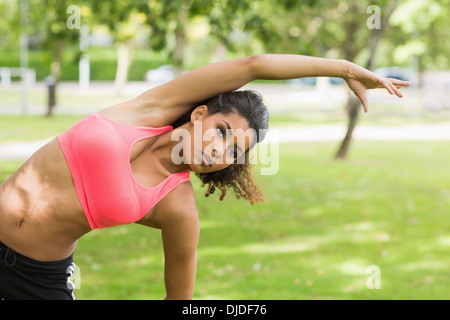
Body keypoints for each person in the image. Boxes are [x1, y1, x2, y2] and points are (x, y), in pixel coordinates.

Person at [0, 54, 409, 300]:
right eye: (223, 132)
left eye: (234, 152)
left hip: (38, 280)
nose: (220, 151)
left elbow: (180, 297)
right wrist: (342, 68)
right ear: (199, 115)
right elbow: (253, 66)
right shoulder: (150, 109)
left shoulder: (177, 208)